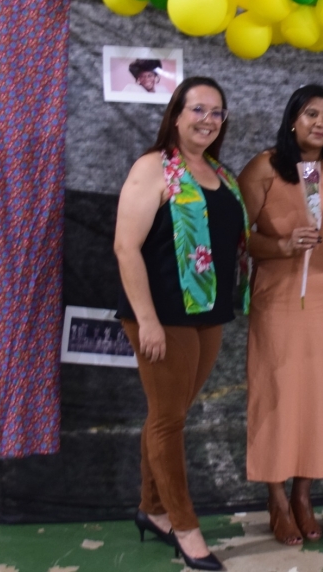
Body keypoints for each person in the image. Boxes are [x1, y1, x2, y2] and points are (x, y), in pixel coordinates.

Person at [114, 77, 249, 571]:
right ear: (176, 114)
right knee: (169, 421)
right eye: (198, 110)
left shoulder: (222, 174)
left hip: (206, 315)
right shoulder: (153, 169)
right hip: (163, 316)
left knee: (167, 416)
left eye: (217, 112)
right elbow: (126, 247)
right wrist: (146, 319)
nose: (208, 120)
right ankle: (185, 527)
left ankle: (151, 510)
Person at [237, 85, 323, 546]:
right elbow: (239, 235)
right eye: (311, 114)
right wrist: (282, 245)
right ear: (292, 119)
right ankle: (276, 498)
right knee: (278, 394)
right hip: (279, 298)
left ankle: (304, 495)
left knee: (320, 397)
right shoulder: (264, 167)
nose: (320, 123)